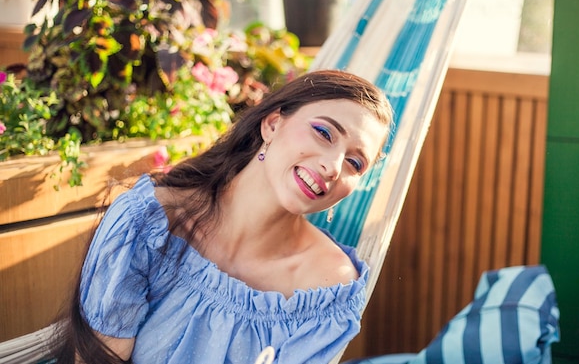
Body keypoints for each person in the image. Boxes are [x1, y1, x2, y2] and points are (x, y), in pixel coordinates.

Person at [52, 69, 394, 364]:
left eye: (354, 163)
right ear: (273, 123)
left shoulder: (327, 287)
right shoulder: (151, 223)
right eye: (324, 133)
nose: (332, 167)